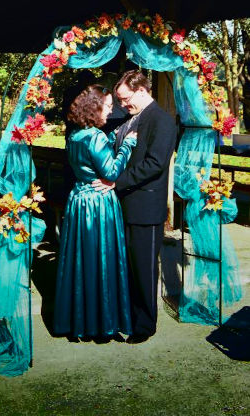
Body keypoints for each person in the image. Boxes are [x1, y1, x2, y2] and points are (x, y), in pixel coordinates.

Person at [92, 70, 177, 344]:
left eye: (126, 99)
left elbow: (155, 164)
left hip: (145, 207)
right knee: (127, 267)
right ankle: (127, 316)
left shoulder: (161, 120)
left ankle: (144, 325)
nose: (123, 105)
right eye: (119, 100)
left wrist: (115, 182)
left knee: (143, 269)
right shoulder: (131, 118)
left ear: (141, 91)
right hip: (126, 205)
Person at [53, 84, 137, 341]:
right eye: (108, 106)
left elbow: (89, 158)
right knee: (101, 259)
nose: (111, 112)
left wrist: (111, 140)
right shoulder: (95, 137)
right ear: (94, 107)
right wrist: (127, 146)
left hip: (78, 201)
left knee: (81, 260)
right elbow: (110, 172)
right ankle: (102, 322)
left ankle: (77, 319)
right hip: (98, 204)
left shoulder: (75, 135)